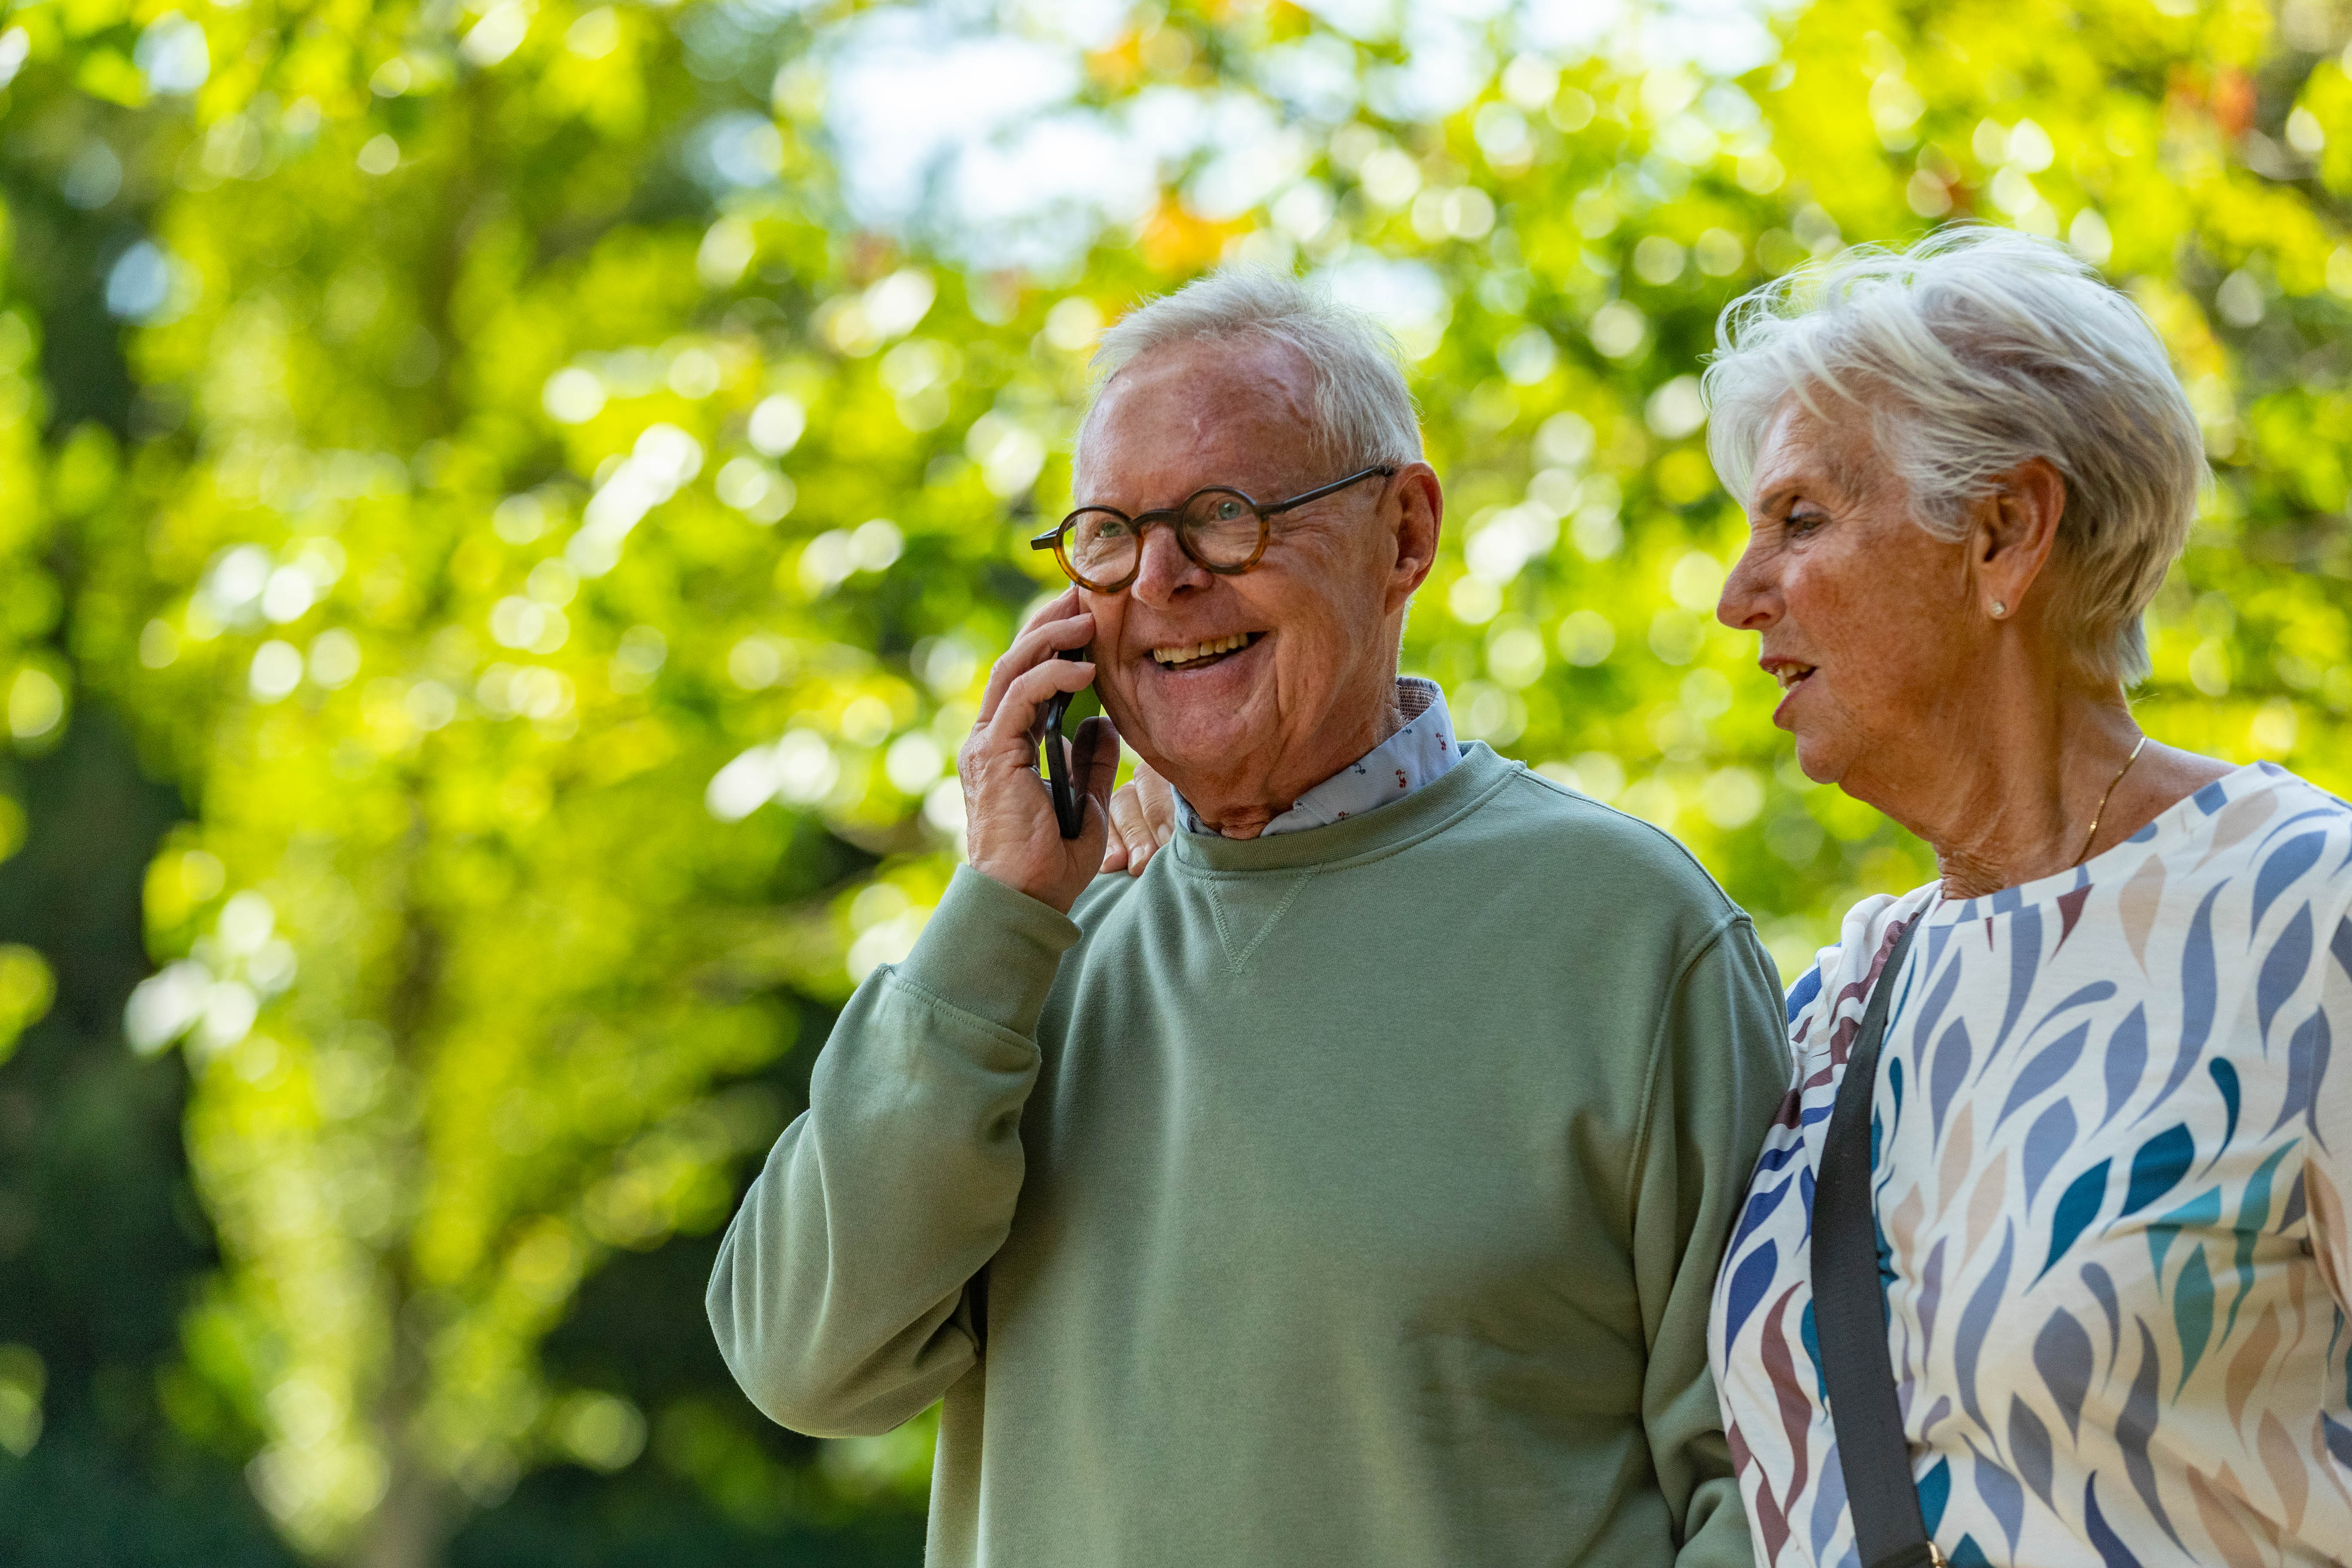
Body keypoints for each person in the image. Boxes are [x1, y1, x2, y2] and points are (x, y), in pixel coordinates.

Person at [706, 268, 1792, 1568]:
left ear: (1404, 533)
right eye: (1108, 533)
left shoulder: (1630, 932)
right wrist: (997, 912)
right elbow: (803, 1361)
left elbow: (1765, 1478)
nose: (1161, 582)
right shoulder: (1027, 955)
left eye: (1225, 518)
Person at [1703, 228, 2352, 1565]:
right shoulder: (1837, 1007)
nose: (1737, 596)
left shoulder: (2306, 920)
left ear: (2004, 534)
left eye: (1801, 519)